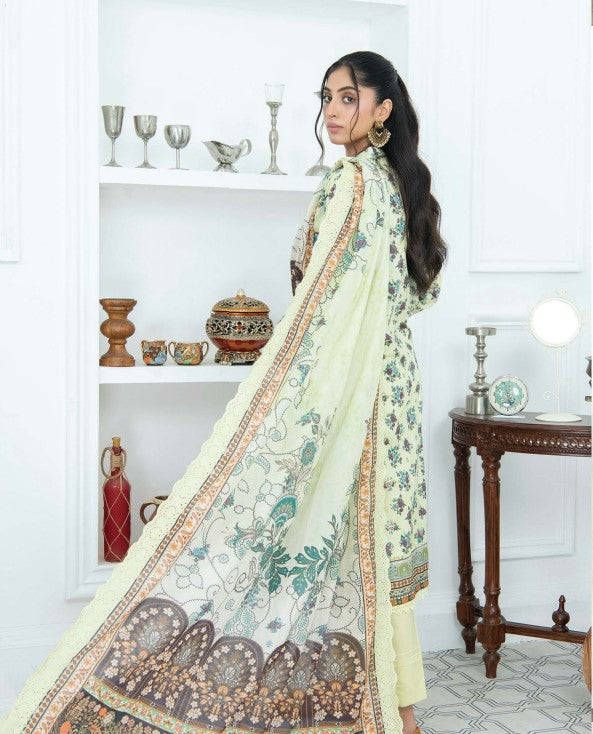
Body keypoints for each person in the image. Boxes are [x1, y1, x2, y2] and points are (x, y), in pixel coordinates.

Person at [1, 51, 446, 734]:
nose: (332, 111)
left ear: (382, 109)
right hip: (393, 387)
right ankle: (399, 710)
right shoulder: (396, 184)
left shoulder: (353, 183)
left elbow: (319, 299)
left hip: (350, 391)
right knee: (371, 543)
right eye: (326, 97)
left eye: (348, 97)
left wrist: (281, 385)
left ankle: (389, 711)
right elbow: (415, 293)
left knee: (311, 528)